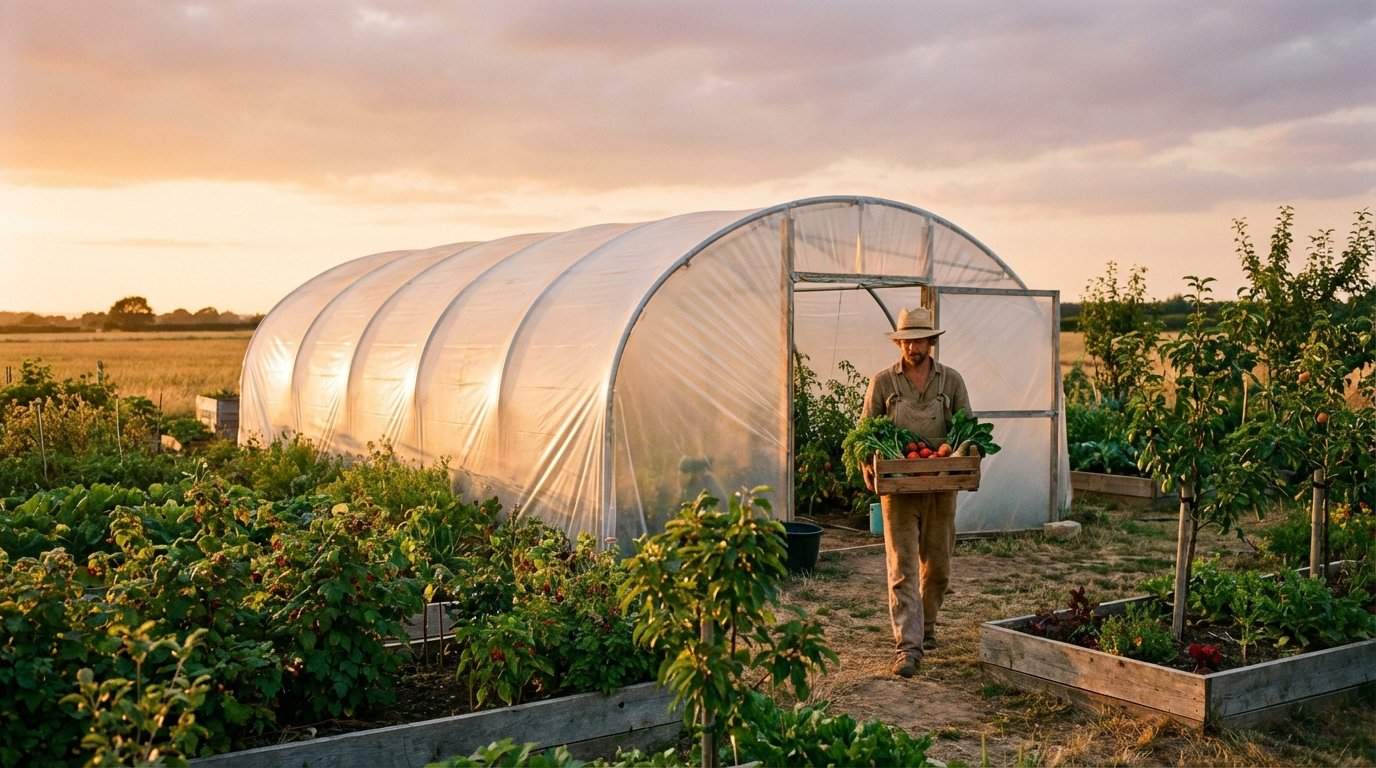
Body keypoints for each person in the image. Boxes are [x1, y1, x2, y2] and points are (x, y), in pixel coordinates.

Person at [860, 306, 971, 678]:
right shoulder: (883, 383)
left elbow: (968, 428)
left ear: (931, 342)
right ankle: (907, 647)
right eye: (907, 340)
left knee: (938, 566)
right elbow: (866, 431)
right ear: (900, 343)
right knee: (902, 567)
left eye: (919, 339)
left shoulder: (950, 381)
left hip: (941, 485)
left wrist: (968, 451)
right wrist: (867, 464)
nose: (912, 346)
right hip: (898, 489)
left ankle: (926, 625)